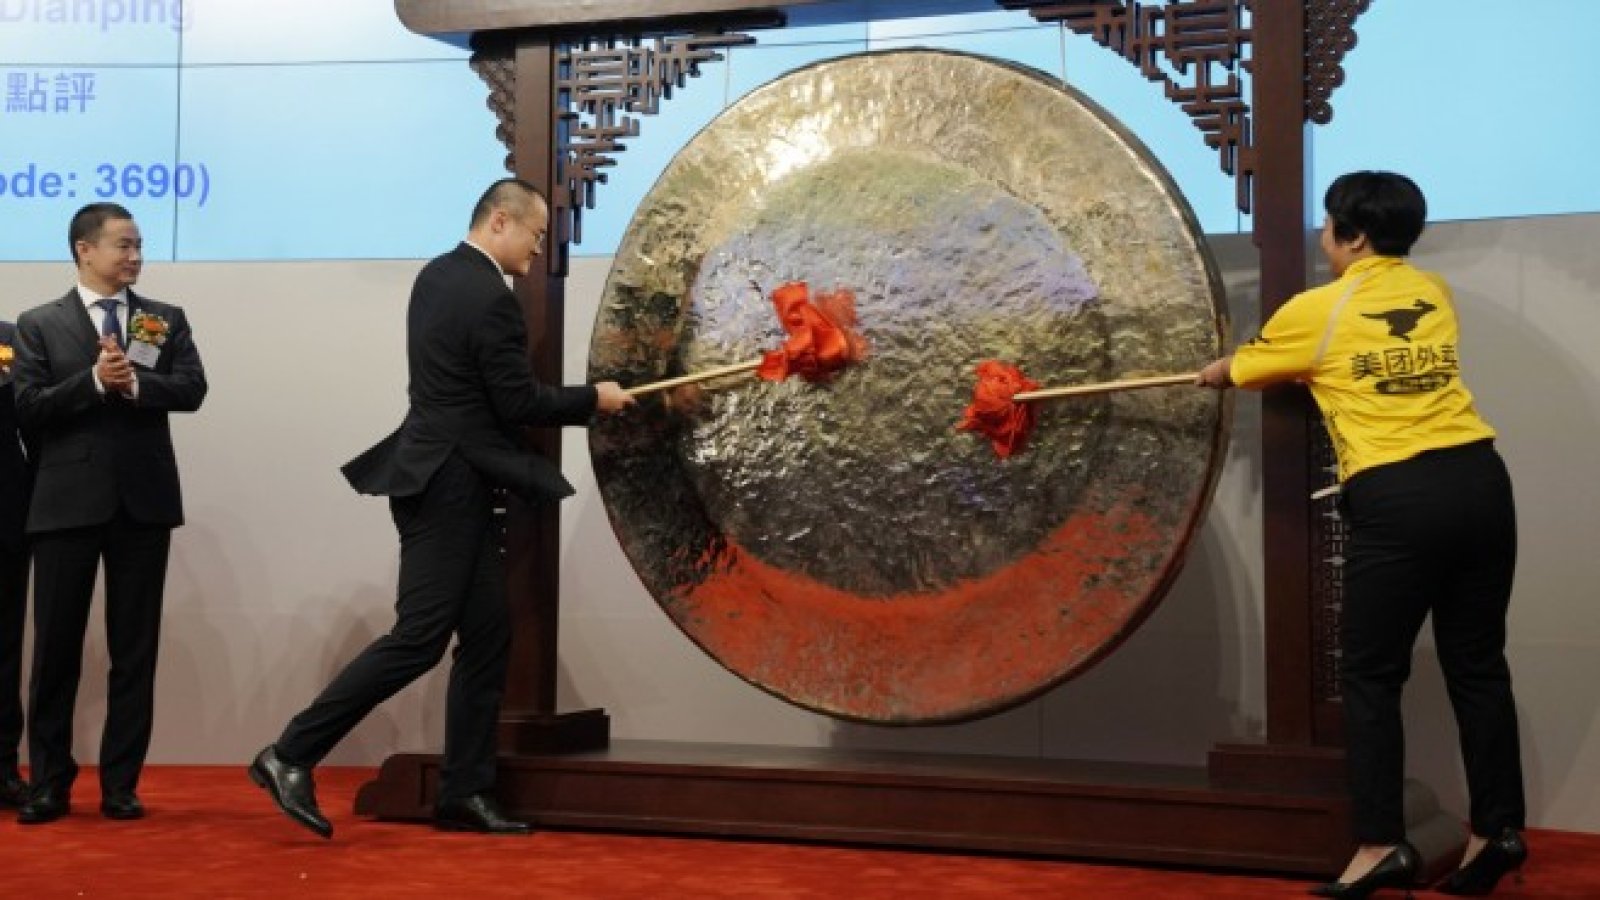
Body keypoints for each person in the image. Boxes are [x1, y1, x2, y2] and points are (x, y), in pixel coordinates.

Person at [250, 179, 634, 839]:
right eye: (536, 234)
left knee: (488, 634)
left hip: (442, 474)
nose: (538, 249)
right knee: (419, 639)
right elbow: (517, 402)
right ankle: (290, 753)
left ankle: (464, 791)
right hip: (447, 483)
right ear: (500, 221)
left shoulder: (437, 275)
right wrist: (594, 400)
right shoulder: (489, 296)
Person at [1197, 171, 1526, 898]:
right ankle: (1497, 831)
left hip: (1401, 494)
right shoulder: (1432, 293)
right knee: (1478, 665)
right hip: (1481, 480)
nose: (1323, 237)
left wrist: (1216, 371)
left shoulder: (1319, 308)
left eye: (1328, 226)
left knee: (1372, 674)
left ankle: (1379, 844)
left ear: (1353, 236)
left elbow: (1245, 368)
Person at [10, 203, 209, 824]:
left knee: (135, 650)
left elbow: (193, 389)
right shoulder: (37, 324)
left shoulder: (162, 319)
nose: (135, 256)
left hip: (143, 505)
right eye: (123, 245)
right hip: (64, 505)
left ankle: (121, 784)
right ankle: (49, 783)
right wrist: (94, 382)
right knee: (55, 652)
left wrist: (136, 386)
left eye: (139, 245)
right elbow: (28, 406)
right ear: (84, 249)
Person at [0, 319, 32, 808]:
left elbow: (35, 421)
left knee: (4, 646)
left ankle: (2, 765)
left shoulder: (10, 339)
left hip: (6, 512)